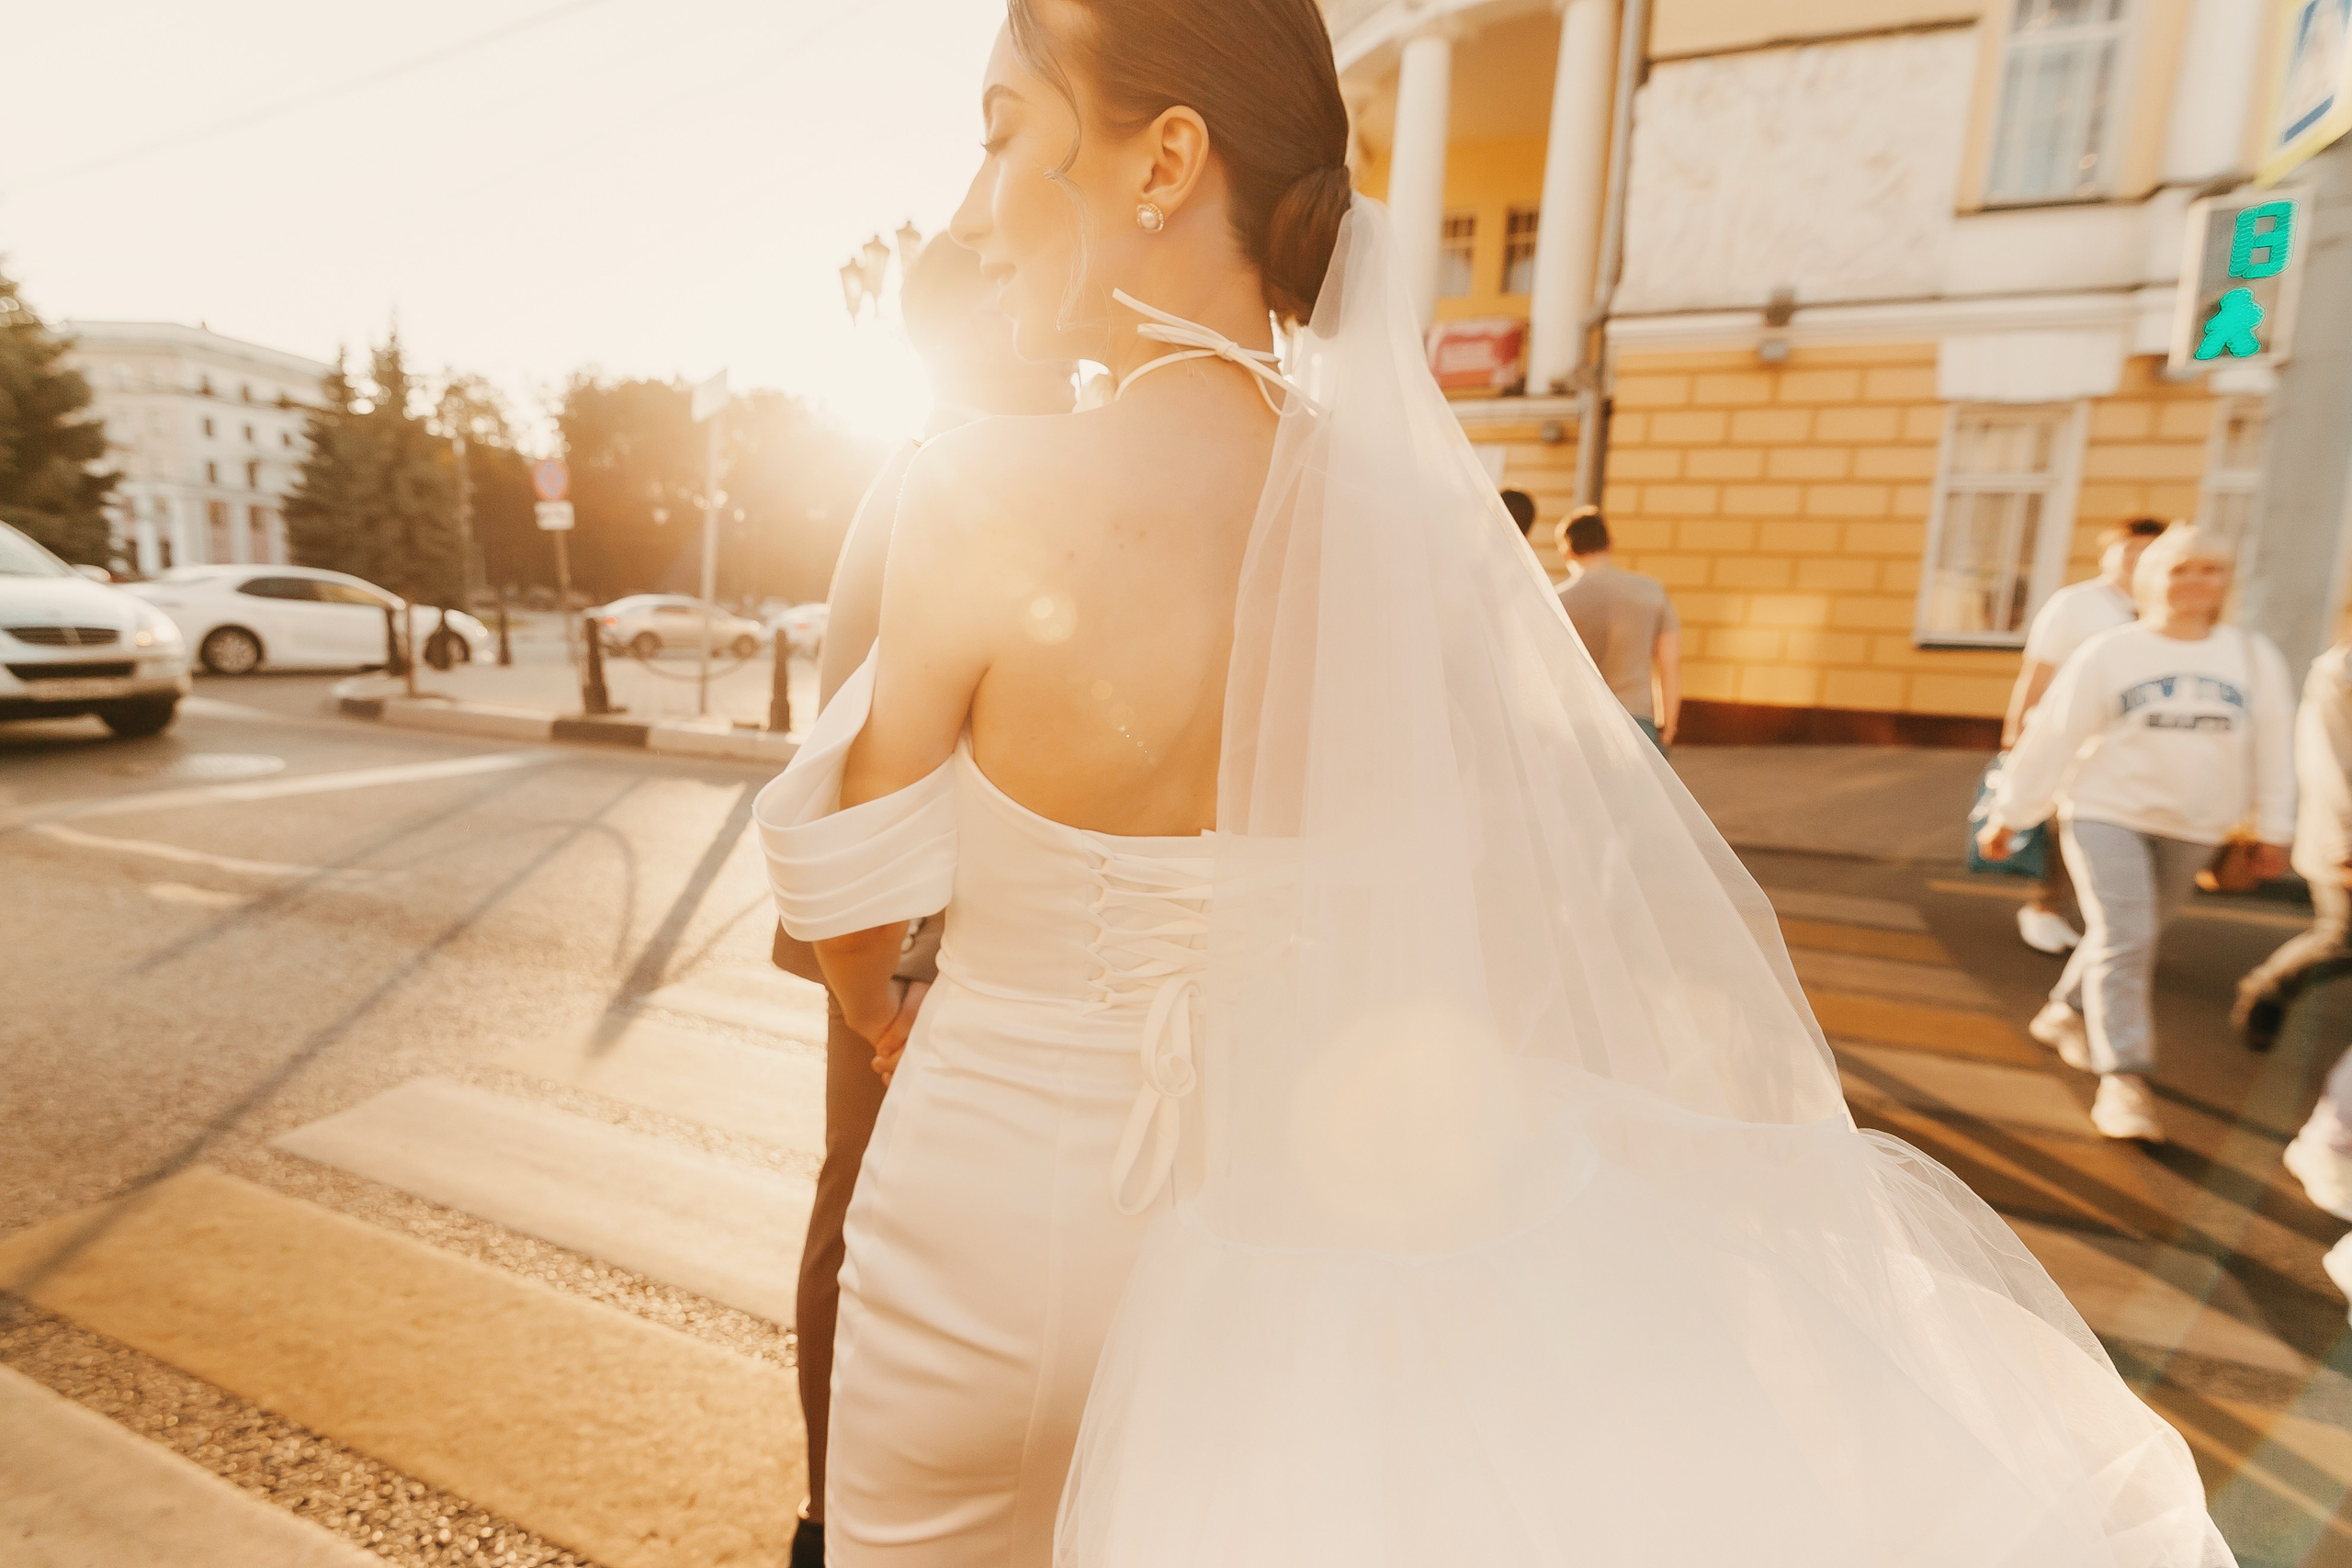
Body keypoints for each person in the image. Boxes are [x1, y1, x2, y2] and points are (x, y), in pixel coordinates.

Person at [754, 3, 2233, 1562]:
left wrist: (886, 1009)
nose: (979, 206)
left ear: (1166, 158)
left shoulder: (972, 490)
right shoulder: (1425, 535)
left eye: (1001, 133)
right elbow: (1492, 901)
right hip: (1288, 1248)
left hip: (988, 1219)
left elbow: (851, 899)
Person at [765, 232, 1073, 1568]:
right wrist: (886, 976)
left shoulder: (1028, 463)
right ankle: (833, 1511)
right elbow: (862, 758)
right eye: (1033, 280)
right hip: (901, 926)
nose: (1069, 312)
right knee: (868, 1213)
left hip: (966, 924)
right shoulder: (935, 475)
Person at [1980, 524, 2294, 1144]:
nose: (2195, 582)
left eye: (2210, 569)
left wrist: (2278, 828)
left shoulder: (2253, 656)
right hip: (2105, 811)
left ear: (2226, 581)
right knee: (2128, 935)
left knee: (2131, 930)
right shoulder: (2111, 652)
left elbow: (2276, 747)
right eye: (2180, 569)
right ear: (2152, 577)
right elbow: (2055, 734)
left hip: (2197, 823)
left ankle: (2063, 1011)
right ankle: (2124, 1079)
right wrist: (2011, 812)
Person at [2002, 516, 2170, 954]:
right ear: (2108, 554)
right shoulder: (2075, 604)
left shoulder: (2162, 607)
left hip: (2135, 743)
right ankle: (2044, 907)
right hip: (2071, 733)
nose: (2138, 559)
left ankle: (2102, 923)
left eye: (2149, 551)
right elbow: (2038, 669)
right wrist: (2015, 730)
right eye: (2129, 549)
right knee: (2065, 824)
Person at [2233, 625, 2352, 1050]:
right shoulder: (2341, 670)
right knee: (2342, 939)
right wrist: (2345, 845)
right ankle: (2268, 989)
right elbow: (2327, 763)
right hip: (2344, 832)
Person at [1555, 504, 1680, 750]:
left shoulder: (1558, 601)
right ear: (1610, 543)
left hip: (1577, 722)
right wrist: (1669, 726)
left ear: (1567, 552)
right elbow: (1669, 664)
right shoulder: (1652, 592)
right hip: (1636, 719)